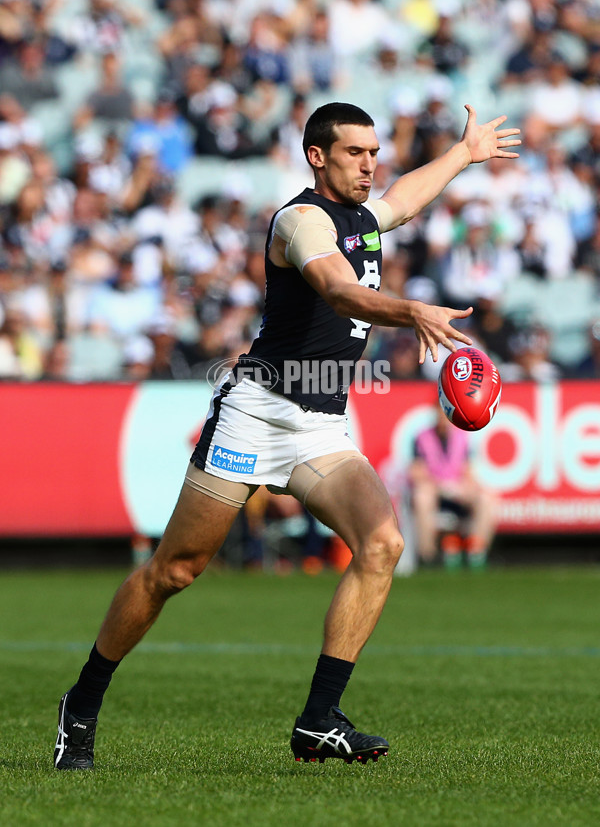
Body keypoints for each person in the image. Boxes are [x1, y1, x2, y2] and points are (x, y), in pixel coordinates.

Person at [54, 100, 520, 769]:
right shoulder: (300, 221)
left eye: (374, 150)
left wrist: (463, 155)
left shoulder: (363, 217)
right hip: (258, 412)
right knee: (175, 571)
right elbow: (338, 291)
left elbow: (403, 202)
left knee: (383, 543)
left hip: (321, 425)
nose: (370, 163)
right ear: (317, 156)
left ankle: (318, 720)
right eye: (356, 153)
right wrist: (409, 309)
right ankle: (83, 701)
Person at [409, 405, 498, 568]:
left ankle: (476, 551)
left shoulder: (462, 437)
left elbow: (468, 471)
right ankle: (428, 555)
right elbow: (416, 471)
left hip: (457, 489)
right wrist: (439, 484)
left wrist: (463, 487)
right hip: (434, 488)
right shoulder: (422, 437)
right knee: (422, 496)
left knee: (487, 498)